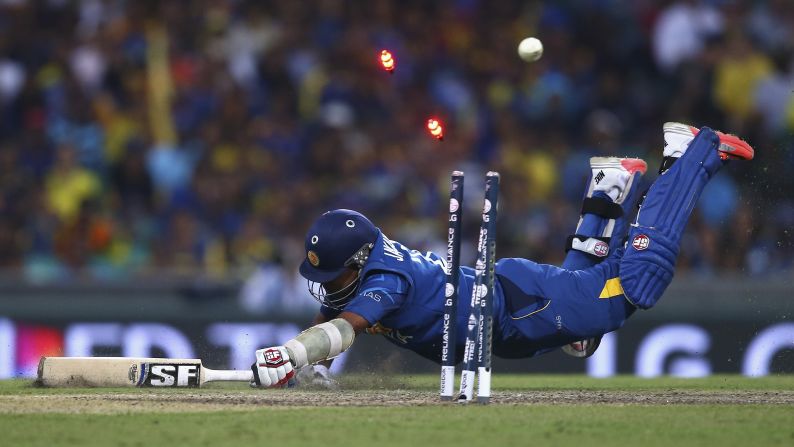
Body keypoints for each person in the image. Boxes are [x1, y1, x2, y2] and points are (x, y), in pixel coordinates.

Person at [250, 123, 754, 388]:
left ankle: (692, 152)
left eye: (339, 275)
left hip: (522, 309)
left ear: (359, 261)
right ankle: (611, 185)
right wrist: (304, 366)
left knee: (636, 283)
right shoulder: (360, 271)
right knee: (582, 330)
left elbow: (341, 330)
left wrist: (291, 354)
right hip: (515, 306)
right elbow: (329, 321)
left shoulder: (385, 280)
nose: (330, 286)